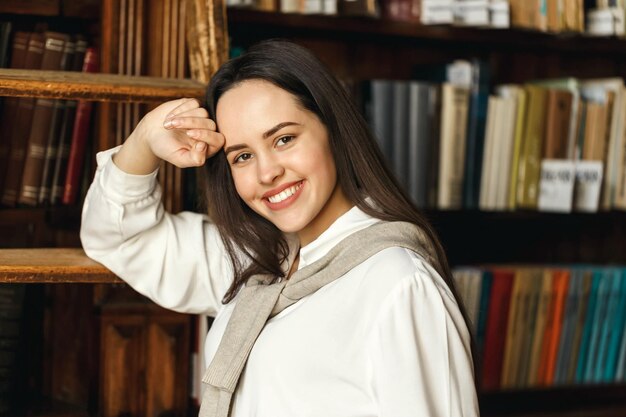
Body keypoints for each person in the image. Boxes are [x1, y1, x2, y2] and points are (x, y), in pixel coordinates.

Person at [81, 39, 478, 416]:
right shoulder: (255, 260)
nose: (267, 172)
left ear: (332, 130)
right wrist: (146, 140)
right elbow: (120, 238)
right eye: (242, 156)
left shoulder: (398, 282)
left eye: (284, 138)